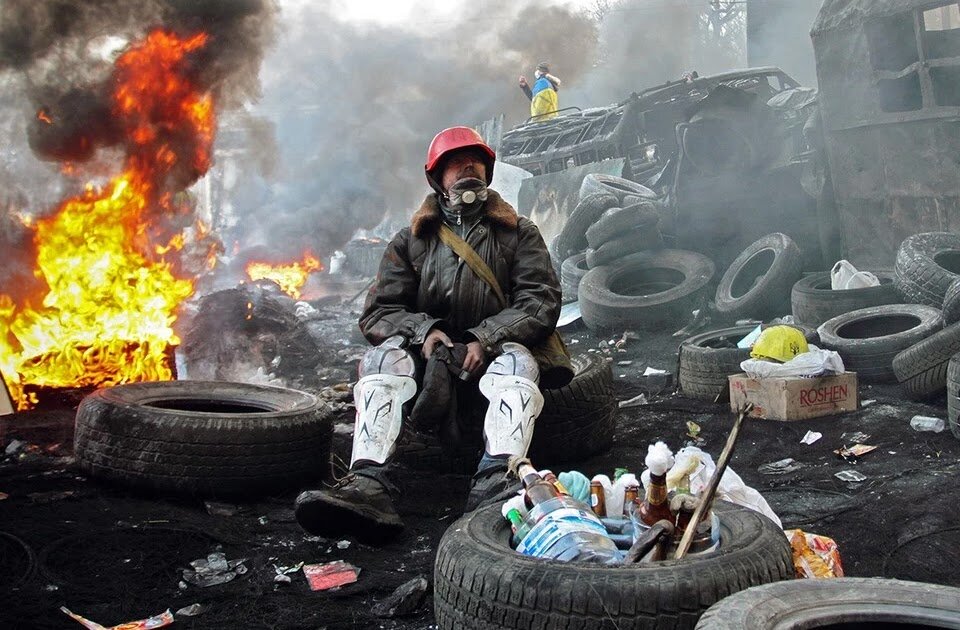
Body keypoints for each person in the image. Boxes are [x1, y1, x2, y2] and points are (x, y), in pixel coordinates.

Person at [294, 126, 563, 542]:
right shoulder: (411, 240)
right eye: (455, 164)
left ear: (487, 171)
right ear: (438, 178)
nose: (467, 168)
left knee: (519, 361)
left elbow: (540, 300)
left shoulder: (518, 233)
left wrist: (485, 338)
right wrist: (424, 332)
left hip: (492, 358)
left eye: (474, 161)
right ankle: (368, 484)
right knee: (382, 359)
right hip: (428, 364)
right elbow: (379, 311)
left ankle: (496, 480)